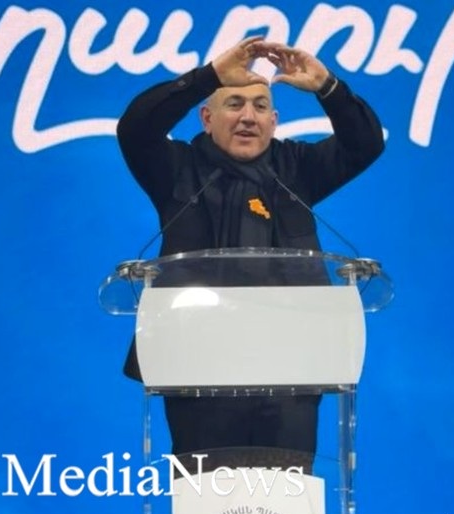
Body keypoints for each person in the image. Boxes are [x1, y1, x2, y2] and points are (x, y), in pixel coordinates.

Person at [115, 36, 385, 471]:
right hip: (196, 368)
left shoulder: (296, 168)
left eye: (260, 106)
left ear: (274, 122)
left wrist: (327, 87)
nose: (248, 116)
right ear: (206, 117)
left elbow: (366, 144)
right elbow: (135, 128)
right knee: (208, 492)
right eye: (234, 103)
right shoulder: (176, 169)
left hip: (292, 371)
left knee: (287, 491)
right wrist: (209, 77)